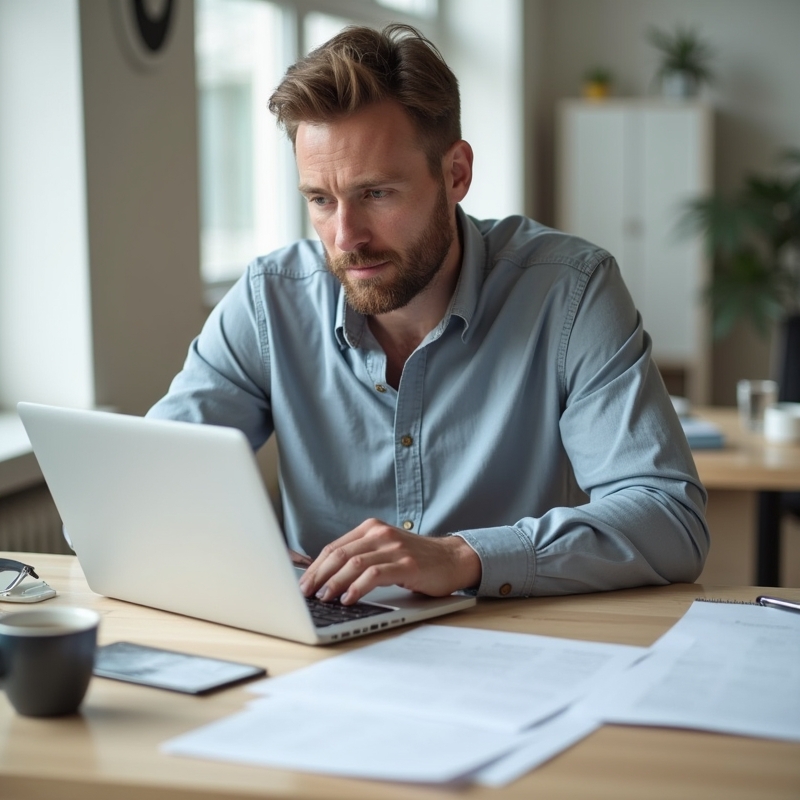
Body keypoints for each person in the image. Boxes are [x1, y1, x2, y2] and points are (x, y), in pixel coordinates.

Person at [148, 23, 709, 605]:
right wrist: (243, 550)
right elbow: (138, 487)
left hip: (514, 651)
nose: (346, 238)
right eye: (320, 199)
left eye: (376, 194)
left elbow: (671, 521)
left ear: (456, 174)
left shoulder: (569, 292)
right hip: (321, 654)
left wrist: (462, 557)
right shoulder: (270, 299)